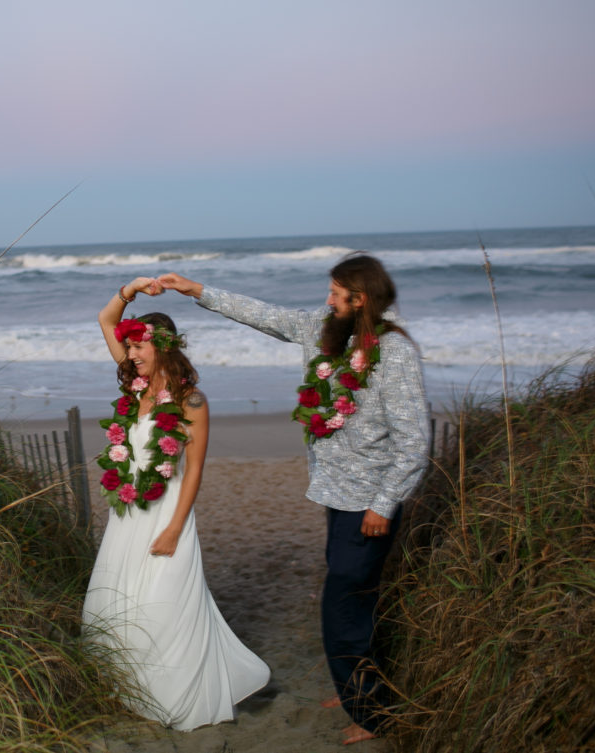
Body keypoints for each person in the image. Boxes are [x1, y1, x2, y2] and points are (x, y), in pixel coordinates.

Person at [159, 254, 430, 746]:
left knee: (342, 605)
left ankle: (368, 714)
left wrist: (383, 504)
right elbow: (262, 313)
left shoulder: (393, 354)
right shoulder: (322, 333)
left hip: (369, 501)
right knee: (354, 598)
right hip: (335, 492)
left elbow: (414, 440)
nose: (327, 300)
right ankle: (351, 687)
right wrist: (194, 290)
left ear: (359, 298)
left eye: (335, 293)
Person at [81, 276, 270, 731]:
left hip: (167, 515)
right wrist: (131, 289)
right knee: (117, 599)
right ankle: (128, 686)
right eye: (129, 348)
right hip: (128, 513)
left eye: (139, 347)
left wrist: (174, 528)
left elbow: (196, 470)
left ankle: (172, 692)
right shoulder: (135, 390)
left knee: (163, 605)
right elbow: (106, 319)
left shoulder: (191, 401)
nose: (131, 355)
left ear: (162, 347)